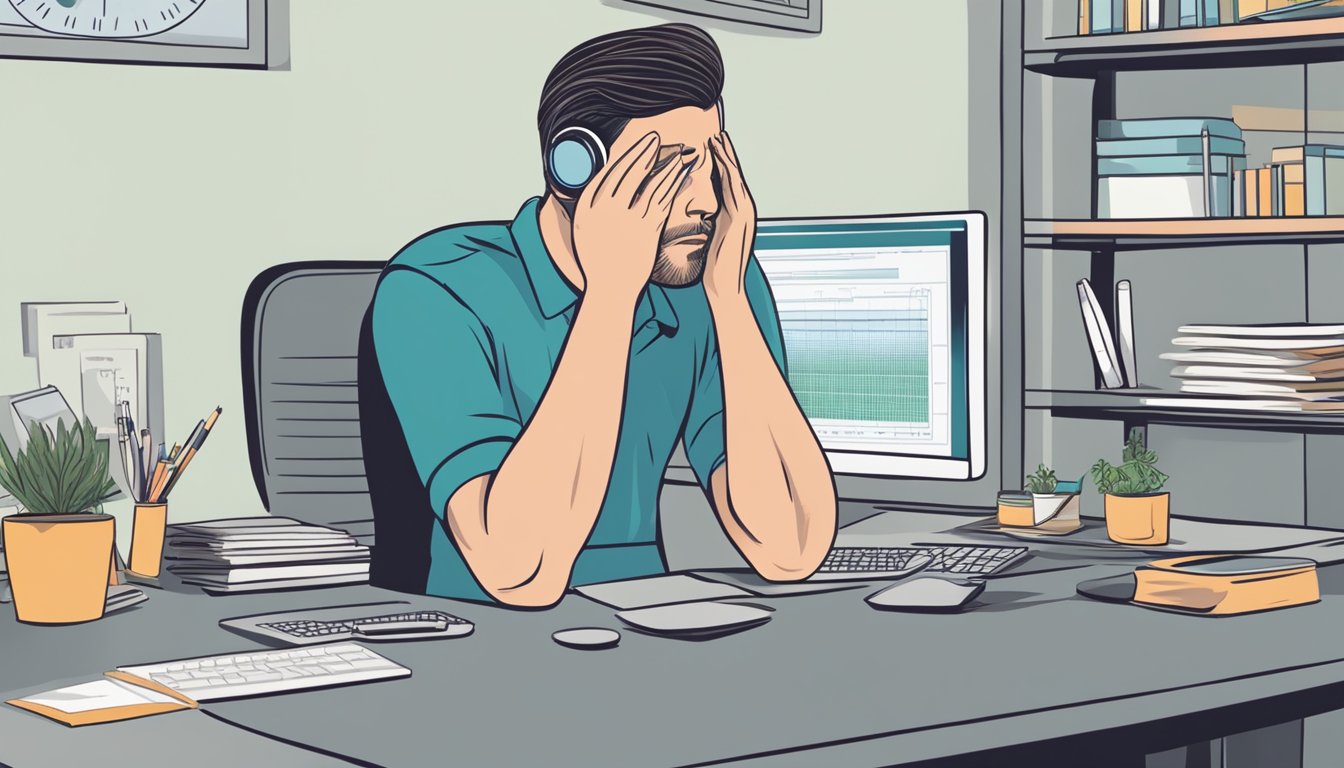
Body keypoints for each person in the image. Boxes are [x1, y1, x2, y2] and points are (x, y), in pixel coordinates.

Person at [365, 23, 836, 607]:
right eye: (670, 170)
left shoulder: (709, 276)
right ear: (575, 167)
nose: (707, 202)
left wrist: (731, 301)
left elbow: (790, 546)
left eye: (710, 164)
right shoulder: (434, 287)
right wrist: (610, 294)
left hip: (644, 637)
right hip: (473, 646)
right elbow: (519, 570)